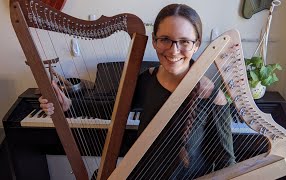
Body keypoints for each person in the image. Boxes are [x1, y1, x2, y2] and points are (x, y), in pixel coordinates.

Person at [39, 4, 236, 179]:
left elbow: (225, 162)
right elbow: (114, 109)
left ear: (197, 45)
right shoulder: (147, 79)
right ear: (154, 41)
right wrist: (70, 104)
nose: (174, 50)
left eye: (184, 41)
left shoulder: (211, 96)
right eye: (165, 39)